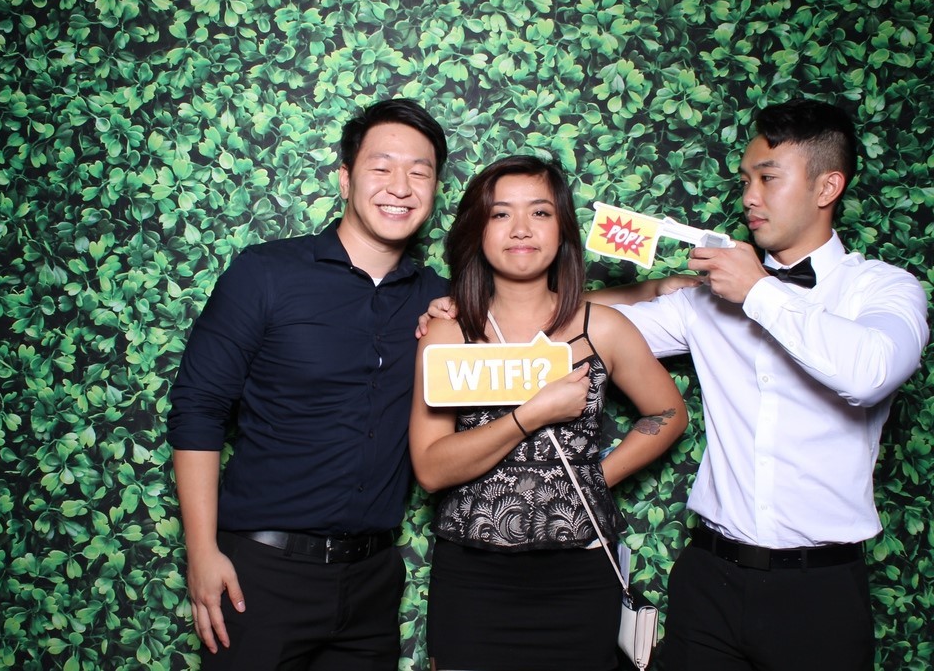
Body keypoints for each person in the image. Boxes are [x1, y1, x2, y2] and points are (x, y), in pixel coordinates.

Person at [617, 98, 930, 670]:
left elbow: (870, 373)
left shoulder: (884, 289)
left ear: (827, 186)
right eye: (745, 180)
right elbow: (596, 335)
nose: (749, 197)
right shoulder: (706, 301)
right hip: (709, 580)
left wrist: (759, 292)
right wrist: (474, 308)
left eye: (768, 178)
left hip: (819, 594)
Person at [167, 98, 450, 670]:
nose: (400, 187)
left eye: (419, 172)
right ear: (345, 178)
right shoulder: (266, 273)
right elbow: (198, 408)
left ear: (435, 189)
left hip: (372, 582)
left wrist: (647, 291)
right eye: (382, 167)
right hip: (259, 577)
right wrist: (201, 552)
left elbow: (544, 312)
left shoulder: (440, 301)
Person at [409, 155, 688, 671]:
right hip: (474, 579)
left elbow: (669, 412)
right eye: (500, 214)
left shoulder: (601, 328)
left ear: (562, 231)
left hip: (579, 577)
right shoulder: (449, 331)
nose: (521, 228)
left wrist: (593, 478)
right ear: (477, 231)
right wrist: (530, 415)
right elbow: (429, 468)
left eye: (540, 212)